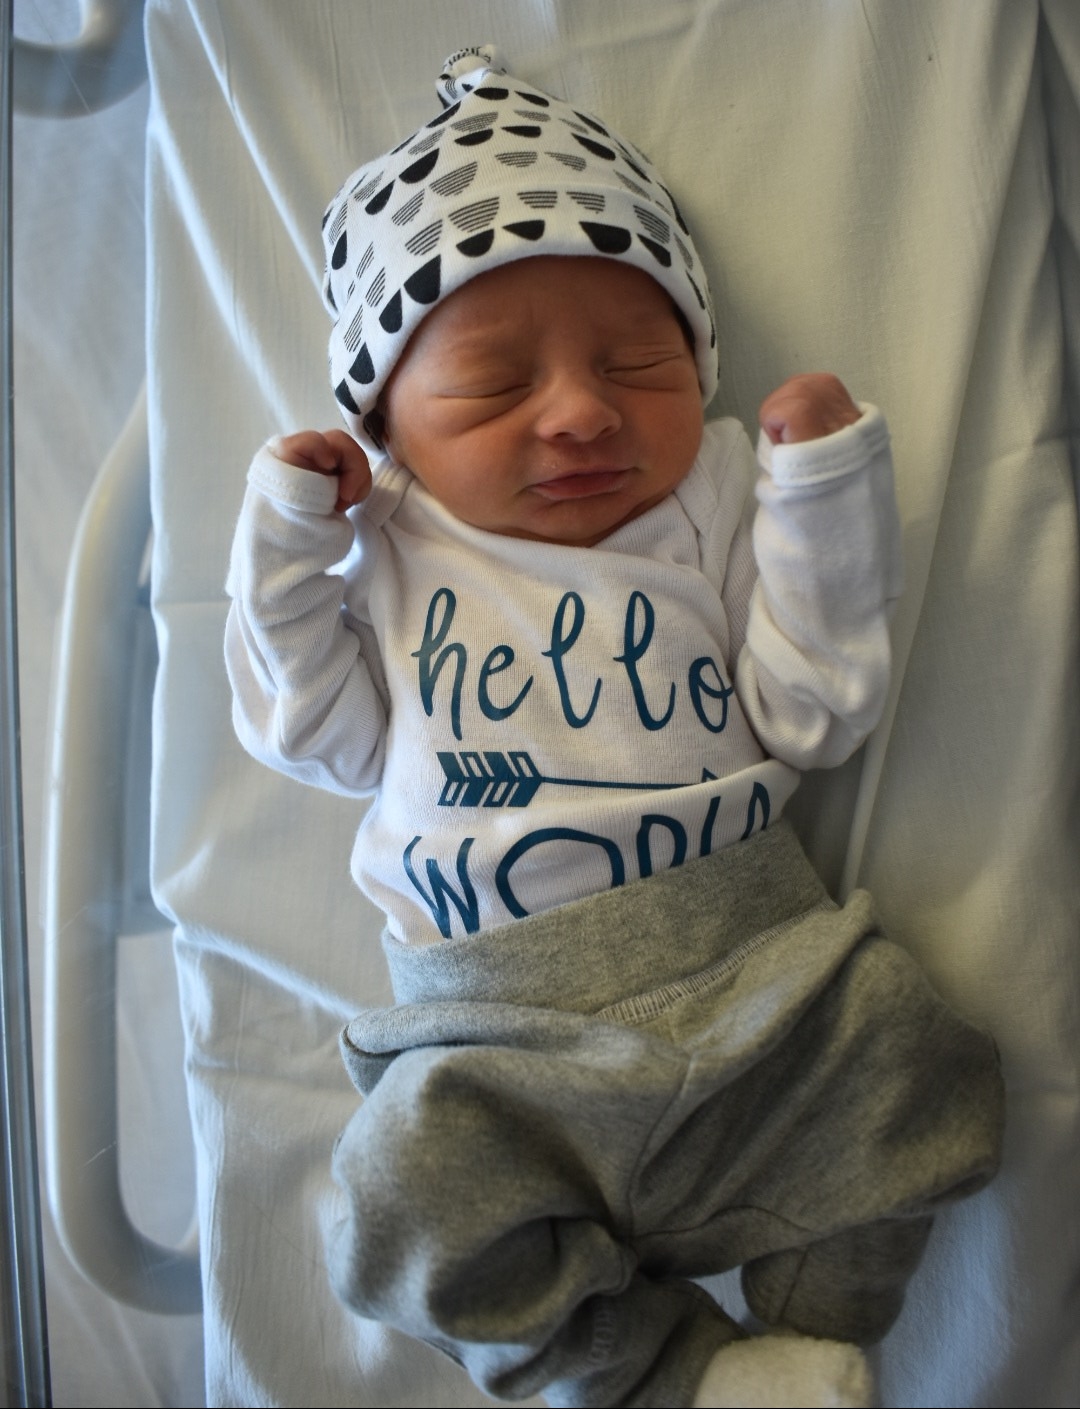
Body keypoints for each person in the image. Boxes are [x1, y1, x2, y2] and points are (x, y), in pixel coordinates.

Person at [225, 46, 1003, 1409]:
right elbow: (312, 734)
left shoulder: (708, 498)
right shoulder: (393, 548)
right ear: (386, 423)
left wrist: (820, 492)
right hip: (494, 1050)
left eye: (641, 363)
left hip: (761, 981)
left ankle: (818, 1320)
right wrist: (288, 539)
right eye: (493, 383)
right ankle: (674, 1375)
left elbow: (812, 711)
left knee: (913, 1054)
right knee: (400, 1202)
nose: (584, 412)